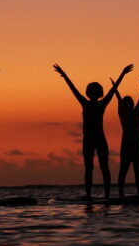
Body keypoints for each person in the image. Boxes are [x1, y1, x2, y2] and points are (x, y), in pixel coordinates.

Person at [54, 62, 134, 202]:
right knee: (101, 167)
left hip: (93, 138)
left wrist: (64, 75)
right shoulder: (98, 103)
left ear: (89, 93)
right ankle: (104, 195)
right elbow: (113, 89)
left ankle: (92, 195)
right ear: (98, 93)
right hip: (96, 138)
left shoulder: (87, 103)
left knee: (91, 168)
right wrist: (123, 73)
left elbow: (73, 88)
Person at [111, 75, 139, 198]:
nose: (129, 103)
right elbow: (118, 99)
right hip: (127, 145)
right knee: (123, 170)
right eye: (127, 102)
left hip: (137, 145)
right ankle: (121, 194)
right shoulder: (122, 113)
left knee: (138, 171)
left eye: (130, 102)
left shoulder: (136, 111)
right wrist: (115, 87)